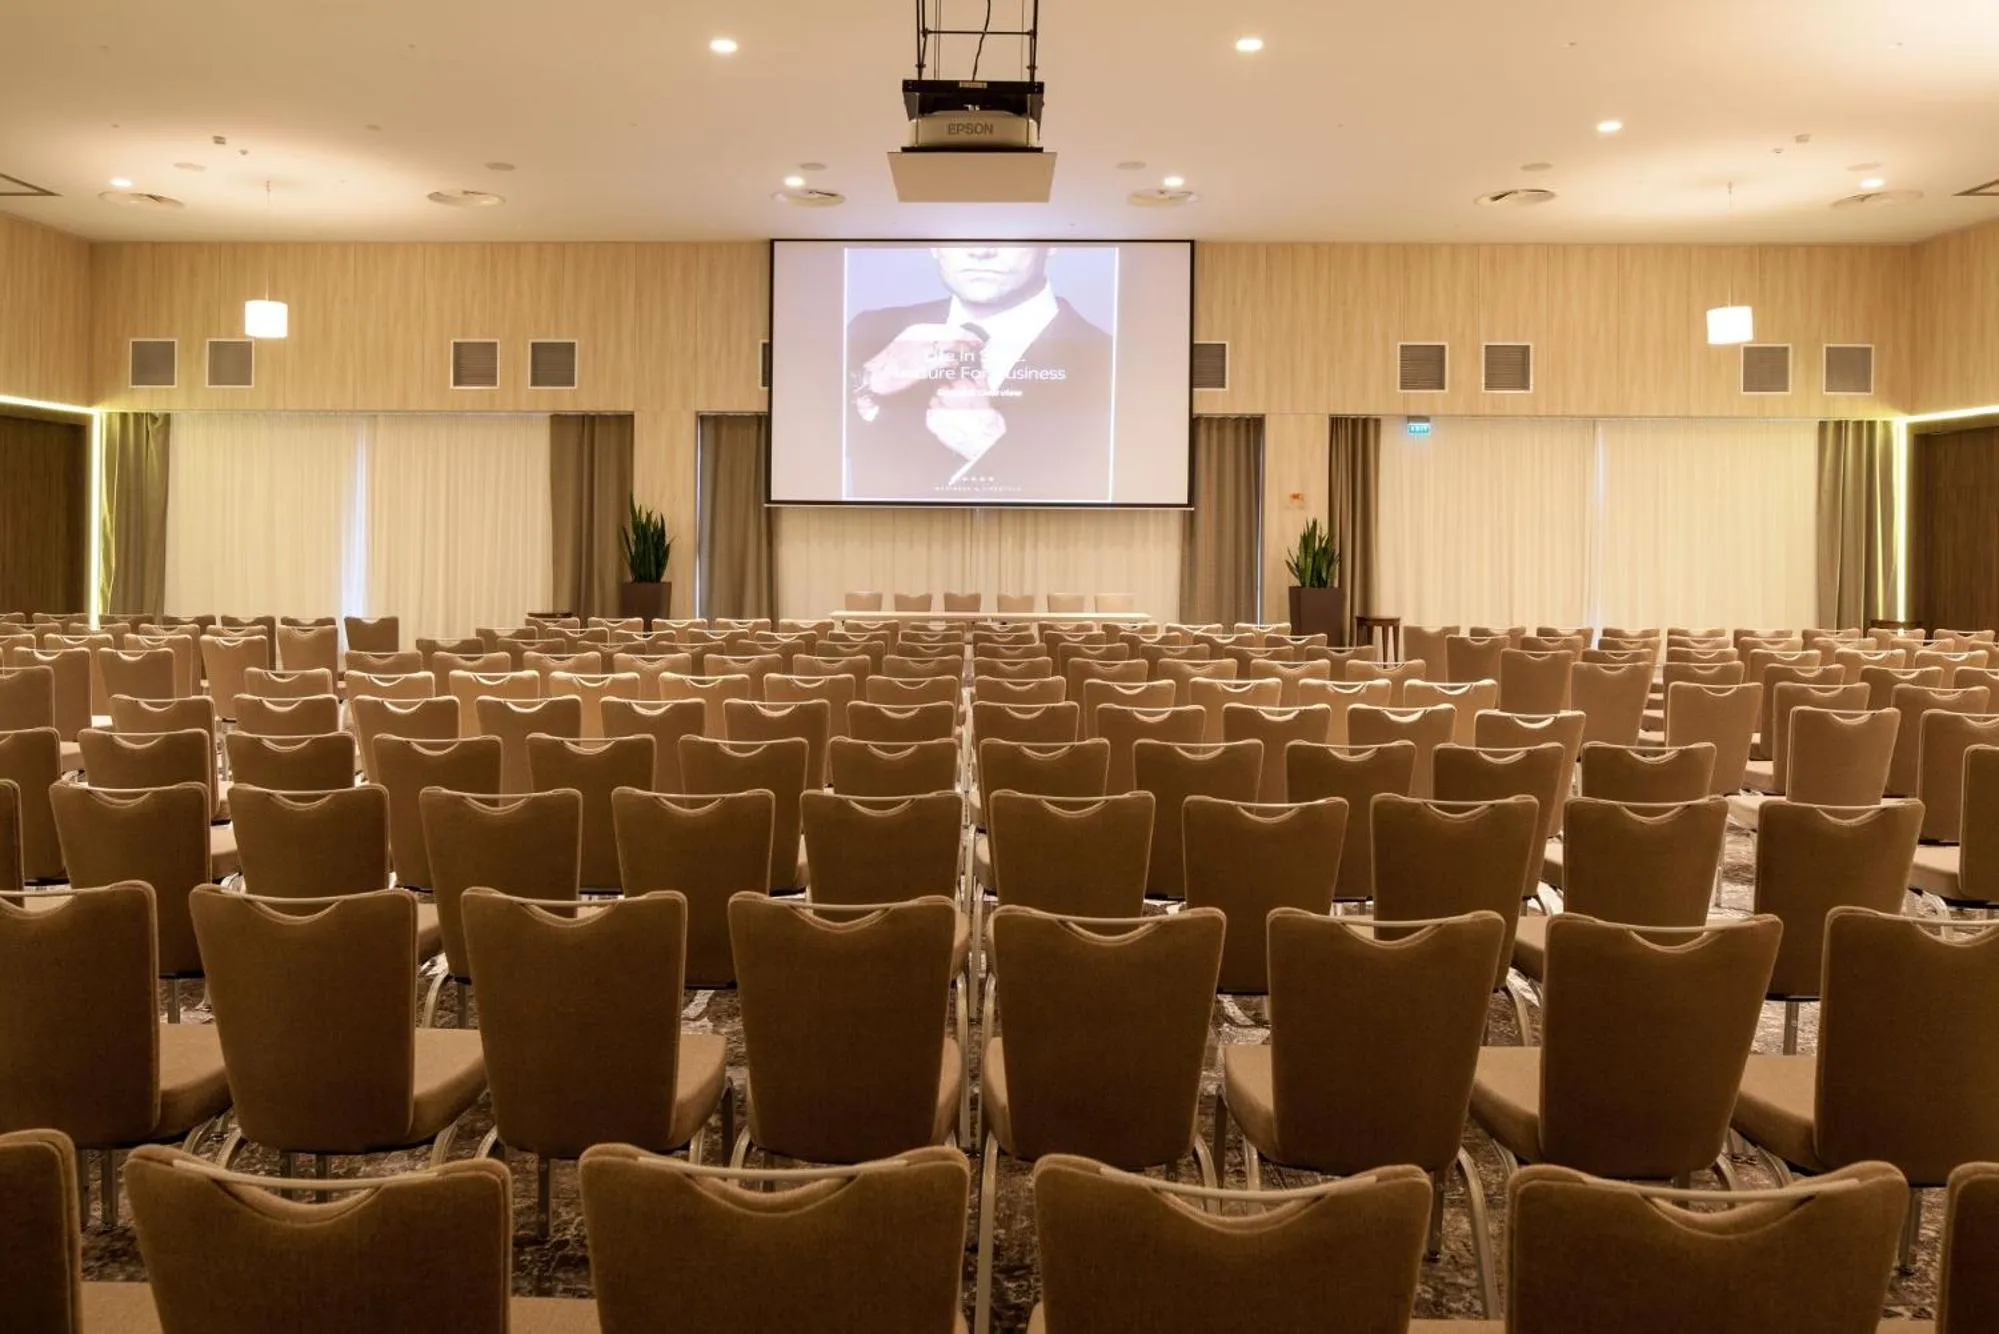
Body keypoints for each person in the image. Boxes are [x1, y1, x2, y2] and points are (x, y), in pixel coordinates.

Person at [844, 245, 1114, 501]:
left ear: (1052, 243)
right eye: (958, 232)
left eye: (1010, 233)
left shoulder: (1108, 363)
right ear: (934, 245)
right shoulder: (870, 330)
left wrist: (992, 452)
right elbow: (812, 448)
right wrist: (869, 379)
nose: (980, 251)